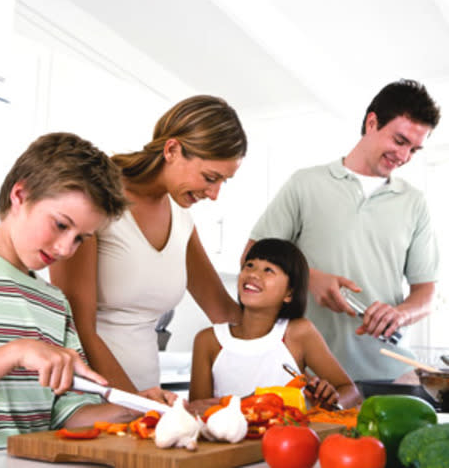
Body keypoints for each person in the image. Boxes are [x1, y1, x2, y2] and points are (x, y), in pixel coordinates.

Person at [0, 132, 176, 450]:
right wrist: (15, 352)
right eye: (60, 225)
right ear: (20, 194)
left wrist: (132, 407)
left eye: (81, 238)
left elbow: (64, 414)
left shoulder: (55, 303)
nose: (66, 249)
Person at [242, 79, 441, 381]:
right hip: (306, 373)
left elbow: (426, 293)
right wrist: (310, 278)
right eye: (399, 141)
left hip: (388, 373)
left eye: (414, 149)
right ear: (372, 122)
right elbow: (252, 258)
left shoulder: (414, 203)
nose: (404, 156)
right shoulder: (305, 184)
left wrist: (401, 314)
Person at [50, 95, 248, 393]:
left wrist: (299, 348)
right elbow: (79, 328)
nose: (214, 193)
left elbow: (224, 313)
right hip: (88, 394)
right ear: (172, 149)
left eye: (223, 181)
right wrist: (135, 404)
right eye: (210, 177)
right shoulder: (95, 196)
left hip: (145, 393)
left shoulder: (181, 217)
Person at [189, 239, 360, 409]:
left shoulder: (298, 333)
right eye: (249, 265)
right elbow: (196, 411)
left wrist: (332, 403)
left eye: (268, 270)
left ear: (289, 293)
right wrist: (250, 402)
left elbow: (350, 391)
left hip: (288, 435)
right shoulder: (208, 340)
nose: (253, 274)